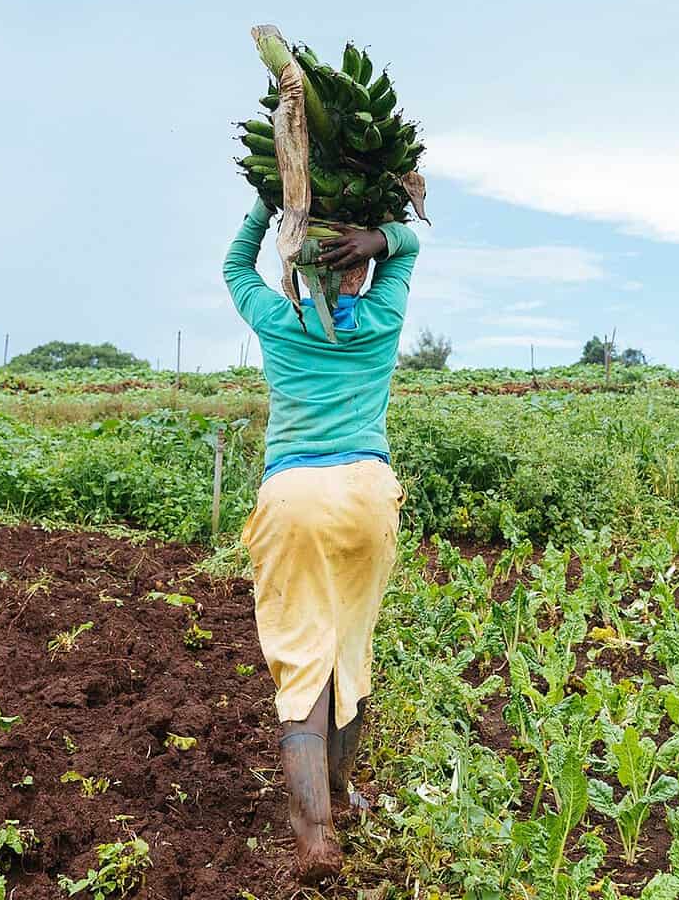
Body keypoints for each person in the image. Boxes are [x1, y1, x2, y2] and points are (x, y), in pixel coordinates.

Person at [222, 196, 419, 883]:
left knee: (302, 660)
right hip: (367, 493)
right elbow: (410, 249)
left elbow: (233, 266)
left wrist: (267, 204)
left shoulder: (279, 317)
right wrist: (381, 238)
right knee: (348, 647)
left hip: (293, 496)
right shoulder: (383, 319)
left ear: (301, 266)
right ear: (357, 270)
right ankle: (340, 793)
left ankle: (314, 833)